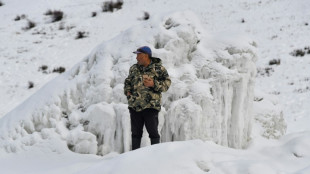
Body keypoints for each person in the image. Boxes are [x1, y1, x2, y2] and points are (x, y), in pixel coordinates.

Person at [124, 46, 171, 150]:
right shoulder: (134, 68)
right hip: (135, 106)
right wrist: (127, 91)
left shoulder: (159, 69)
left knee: (153, 133)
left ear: (146, 56)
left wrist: (154, 84)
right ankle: (133, 158)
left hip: (151, 106)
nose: (136, 58)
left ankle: (155, 155)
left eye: (138, 55)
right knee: (135, 134)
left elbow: (167, 84)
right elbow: (128, 81)